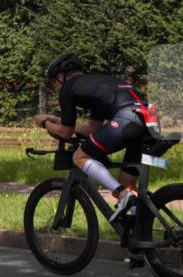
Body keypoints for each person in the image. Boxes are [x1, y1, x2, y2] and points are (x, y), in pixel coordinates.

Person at [33, 53, 158, 222]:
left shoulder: (68, 88)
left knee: (80, 156)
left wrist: (44, 123)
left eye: (53, 82)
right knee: (127, 182)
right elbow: (93, 129)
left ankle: (121, 194)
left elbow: (65, 133)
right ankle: (140, 231)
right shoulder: (97, 85)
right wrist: (60, 121)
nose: (55, 87)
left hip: (129, 118)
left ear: (61, 77)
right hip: (150, 117)